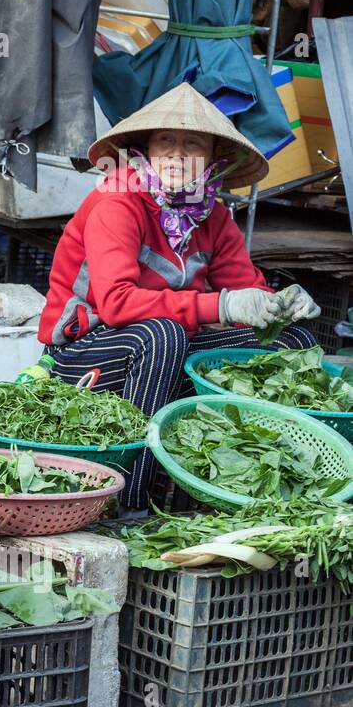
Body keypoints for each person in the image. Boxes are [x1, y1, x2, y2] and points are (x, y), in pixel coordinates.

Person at [39, 82, 320, 512]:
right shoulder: (118, 202)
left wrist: (282, 305)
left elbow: (249, 293)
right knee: (164, 335)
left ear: (212, 159)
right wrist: (221, 305)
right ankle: (126, 503)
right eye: (165, 141)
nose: (176, 154)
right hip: (84, 351)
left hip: (165, 347)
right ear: (145, 149)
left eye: (193, 144)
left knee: (290, 342)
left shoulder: (213, 215)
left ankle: (246, 498)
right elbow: (116, 304)